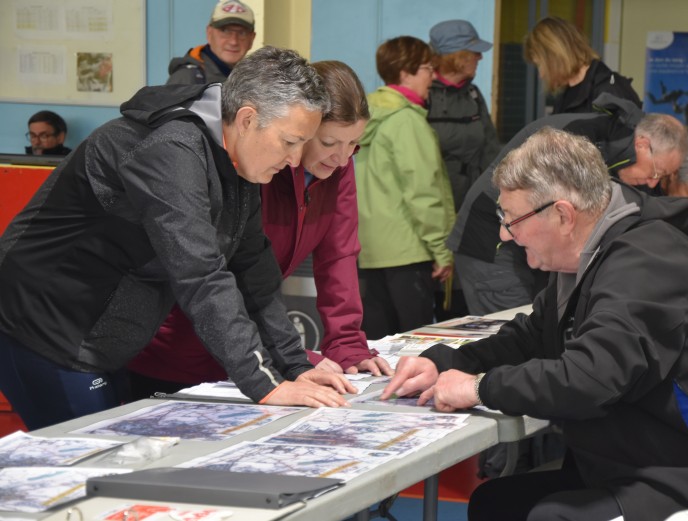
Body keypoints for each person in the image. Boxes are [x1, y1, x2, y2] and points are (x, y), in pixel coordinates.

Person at [382, 127, 688, 521]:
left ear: (562, 215)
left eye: (512, 218)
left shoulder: (645, 264)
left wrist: (478, 387)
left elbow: (589, 380)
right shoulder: (589, 254)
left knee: (551, 516)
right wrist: (448, 362)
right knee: (495, 504)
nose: (506, 234)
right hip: (648, 457)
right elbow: (535, 333)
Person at [0, 46, 356, 431]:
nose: (294, 158)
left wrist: (295, 366)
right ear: (248, 119)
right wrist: (265, 385)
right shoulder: (170, 149)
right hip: (44, 332)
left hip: (101, 338)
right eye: (290, 142)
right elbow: (200, 273)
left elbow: (253, 269)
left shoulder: (238, 158)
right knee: (91, 469)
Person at [125, 60, 392, 399]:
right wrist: (288, 361)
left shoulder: (338, 167)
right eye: (328, 142)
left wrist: (346, 344)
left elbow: (338, 254)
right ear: (304, 127)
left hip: (252, 353)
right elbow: (219, 275)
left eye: (354, 144)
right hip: (189, 343)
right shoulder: (259, 166)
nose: (342, 158)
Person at [449, 93, 687, 316]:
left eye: (662, 177)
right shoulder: (581, 142)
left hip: (527, 242)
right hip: (491, 240)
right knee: (512, 326)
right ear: (643, 145)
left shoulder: (614, 145)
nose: (653, 182)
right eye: (657, 171)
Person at [355, 36, 456, 340]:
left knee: (378, 348)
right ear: (405, 73)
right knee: (415, 347)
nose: (433, 76)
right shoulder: (408, 122)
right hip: (408, 252)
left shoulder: (363, 119)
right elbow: (423, 194)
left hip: (368, 251)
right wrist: (441, 250)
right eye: (427, 68)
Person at [427, 19, 502, 210]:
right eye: (475, 52)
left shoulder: (473, 94)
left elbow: (490, 150)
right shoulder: (424, 95)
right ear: (458, 57)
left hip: (472, 201)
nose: (480, 58)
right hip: (435, 203)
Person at [523, 16, 641, 114]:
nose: (541, 74)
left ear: (555, 57)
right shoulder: (565, 96)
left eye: (540, 65)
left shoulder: (609, 91)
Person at [166, 0, 255, 85]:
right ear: (209, 33)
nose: (233, 41)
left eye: (242, 33)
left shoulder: (253, 79)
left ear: (252, 39)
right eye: (225, 31)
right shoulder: (187, 79)